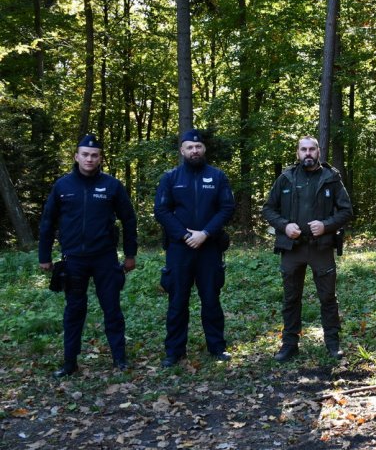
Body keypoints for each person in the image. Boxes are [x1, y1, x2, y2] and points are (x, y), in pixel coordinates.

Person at [38, 134, 137, 377]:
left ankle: (120, 359)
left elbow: (128, 220)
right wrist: (44, 255)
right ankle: (70, 363)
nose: (89, 159)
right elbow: (48, 222)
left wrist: (130, 254)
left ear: (101, 158)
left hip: (104, 258)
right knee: (74, 311)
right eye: (85, 154)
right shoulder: (63, 186)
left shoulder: (112, 185)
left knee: (112, 309)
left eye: (94, 155)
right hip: (73, 260)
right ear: (76, 156)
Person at [262, 136, 353, 361]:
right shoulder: (286, 178)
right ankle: (289, 344)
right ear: (297, 153)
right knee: (291, 298)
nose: (308, 153)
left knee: (328, 298)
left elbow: (346, 211)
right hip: (292, 249)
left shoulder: (331, 178)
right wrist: (284, 226)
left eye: (312, 149)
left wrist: (326, 225)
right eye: (304, 149)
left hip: (321, 248)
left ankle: (333, 343)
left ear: (319, 152)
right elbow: (268, 209)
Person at [154, 129, 235, 367]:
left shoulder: (218, 177)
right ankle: (174, 351)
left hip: (209, 248)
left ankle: (217, 347)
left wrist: (205, 233)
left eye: (198, 147)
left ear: (204, 149)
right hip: (180, 249)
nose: (194, 150)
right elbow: (162, 210)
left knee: (211, 299)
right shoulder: (171, 178)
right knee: (177, 301)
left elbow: (226, 208)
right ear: (182, 150)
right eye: (189, 147)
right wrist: (184, 234)